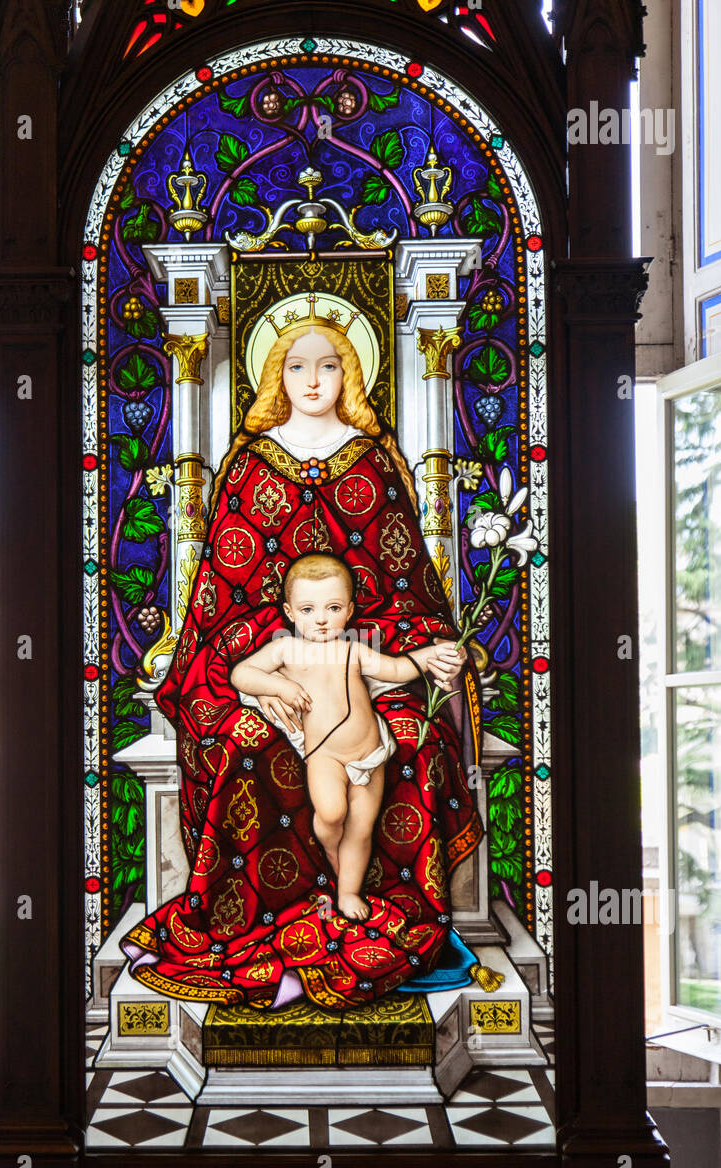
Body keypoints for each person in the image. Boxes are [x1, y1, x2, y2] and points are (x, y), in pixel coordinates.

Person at [121, 314, 484, 1012]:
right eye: (297, 367)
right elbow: (222, 592)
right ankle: (257, 914)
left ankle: (354, 897)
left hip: (364, 650)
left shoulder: (374, 460)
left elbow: (404, 584)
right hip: (268, 645)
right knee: (240, 740)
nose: (313, 381)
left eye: (328, 366)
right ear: (274, 375)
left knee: (415, 738)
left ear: (352, 372)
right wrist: (272, 669)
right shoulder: (251, 462)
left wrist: (422, 647)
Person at [231, 554, 463, 927]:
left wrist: (430, 655)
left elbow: (397, 668)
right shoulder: (285, 650)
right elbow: (243, 674)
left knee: (360, 827)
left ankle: (348, 891)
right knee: (332, 813)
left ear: (350, 610)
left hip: (371, 753)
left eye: (333, 607)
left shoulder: (353, 650)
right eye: (308, 609)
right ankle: (327, 842)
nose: (321, 619)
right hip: (325, 756)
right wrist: (279, 685)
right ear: (289, 611)